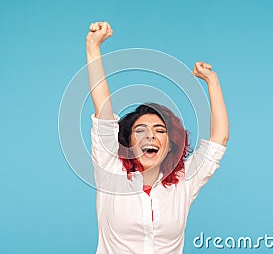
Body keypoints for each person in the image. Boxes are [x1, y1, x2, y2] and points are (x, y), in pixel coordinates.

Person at [86, 21, 229, 254]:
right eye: (140, 130)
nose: (150, 135)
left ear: (170, 144)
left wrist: (212, 81)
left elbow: (219, 138)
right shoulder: (110, 170)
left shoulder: (184, 181)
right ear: (128, 142)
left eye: (160, 131)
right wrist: (93, 47)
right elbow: (102, 108)